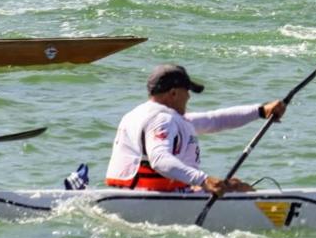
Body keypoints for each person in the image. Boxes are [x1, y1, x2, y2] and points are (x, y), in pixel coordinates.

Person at [105, 63, 285, 194]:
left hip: (129, 192)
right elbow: (159, 159)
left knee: (232, 184)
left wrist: (261, 111)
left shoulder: (141, 114)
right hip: (152, 197)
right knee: (239, 189)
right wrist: (203, 180)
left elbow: (215, 120)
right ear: (173, 93)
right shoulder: (162, 119)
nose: (189, 96)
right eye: (187, 91)